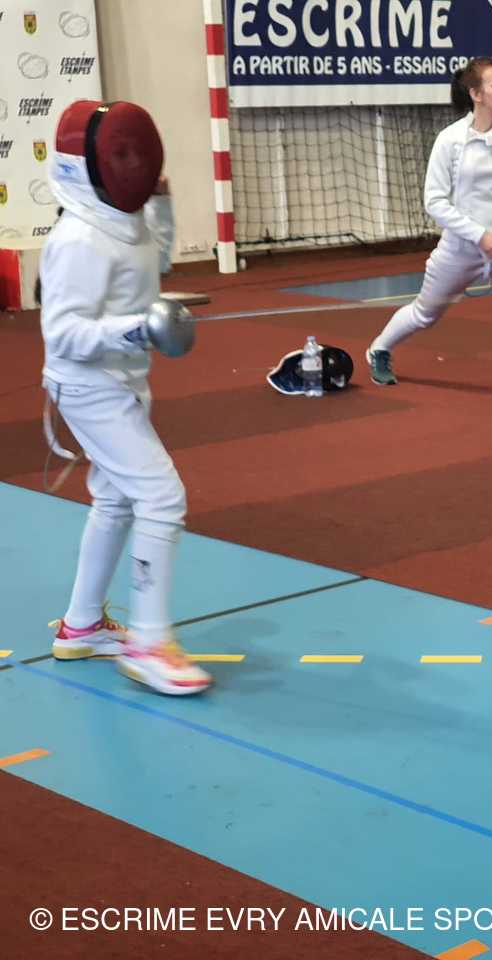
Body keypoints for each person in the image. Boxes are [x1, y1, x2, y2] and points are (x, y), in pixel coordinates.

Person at [41, 99, 211, 696]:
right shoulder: (78, 238)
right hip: (89, 386)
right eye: (123, 155)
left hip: (124, 379)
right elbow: (61, 333)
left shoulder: (125, 219)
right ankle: (148, 643)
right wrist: (137, 329)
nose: (135, 166)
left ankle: (81, 625)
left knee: (115, 500)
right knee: (161, 496)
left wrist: (160, 206)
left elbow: (149, 264)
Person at [366, 57, 492, 415]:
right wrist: (479, 235)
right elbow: (434, 201)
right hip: (460, 251)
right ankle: (379, 349)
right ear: (476, 94)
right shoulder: (450, 140)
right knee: (425, 314)